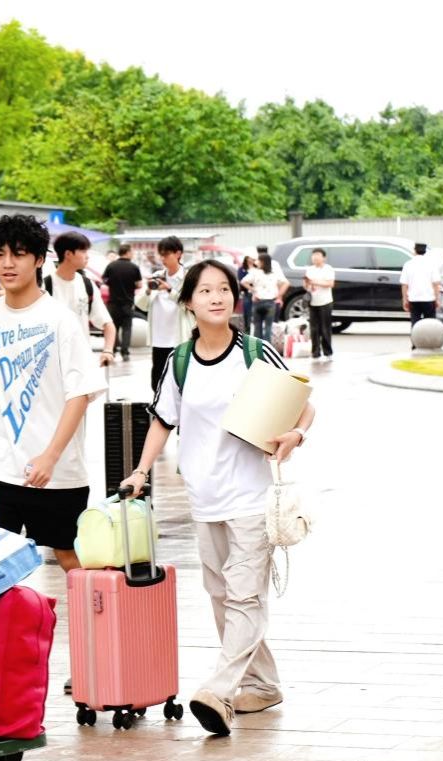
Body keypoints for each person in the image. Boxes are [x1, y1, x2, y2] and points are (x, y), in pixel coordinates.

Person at [120, 258, 316, 736]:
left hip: (250, 497)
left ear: (235, 297)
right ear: (188, 301)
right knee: (222, 597)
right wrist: (141, 471)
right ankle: (263, 685)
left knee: (245, 597)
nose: (217, 297)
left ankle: (219, 690)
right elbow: (163, 421)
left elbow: (303, 403)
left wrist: (296, 435)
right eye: (205, 290)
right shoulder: (180, 362)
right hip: (203, 498)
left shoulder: (254, 353)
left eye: (224, 289)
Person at [0, 215, 108, 576]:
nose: (7, 263)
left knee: (70, 559)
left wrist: (50, 456)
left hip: (56, 473)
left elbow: (81, 394)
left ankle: (93, 618)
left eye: (18, 254)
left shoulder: (60, 320)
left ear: (39, 259)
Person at [47, 232, 117, 367]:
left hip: (81, 360)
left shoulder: (87, 285)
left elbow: (108, 324)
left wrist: (108, 351)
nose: (87, 256)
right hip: (51, 362)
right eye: (83, 251)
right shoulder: (45, 286)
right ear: (68, 254)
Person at [136, 236, 194, 392]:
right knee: (157, 381)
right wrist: (148, 290)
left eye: (166, 254)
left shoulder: (188, 277)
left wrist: (169, 290)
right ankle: (159, 406)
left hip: (179, 337)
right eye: (161, 255)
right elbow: (140, 305)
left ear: (178, 254)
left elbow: (189, 305)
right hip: (159, 338)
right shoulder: (157, 276)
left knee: (180, 379)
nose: (162, 259)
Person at [102, 243, 142, 359]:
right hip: (127, 303)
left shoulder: (111, 266)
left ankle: (113, 349)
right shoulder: (134, 267)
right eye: (132, 252)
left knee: (113, 327)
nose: (133, 254)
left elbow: (104, 280)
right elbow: (139, 285)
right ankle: (125, 352)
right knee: (127, 329)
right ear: (127, 252)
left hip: (113, 303)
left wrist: (112, 283)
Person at [243, 254, 287, 343]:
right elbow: (286, 283)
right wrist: (279, 295)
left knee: (257, 327)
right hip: (270, 303)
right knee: (268, 327)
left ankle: (257, 348)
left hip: (258, 302)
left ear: (262, 262)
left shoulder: (255, 272)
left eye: (258, 260)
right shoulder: (274, 273)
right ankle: (267, 347)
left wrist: (253, 290)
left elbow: (243, 281)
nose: (256, 262)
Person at [303, 247, 335, 359]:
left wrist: (314, 282)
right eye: (313, 256)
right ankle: (315, 352)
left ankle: (327, 351)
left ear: (324, 258)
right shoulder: (309, 269)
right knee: (314, 328)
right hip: (313, 301)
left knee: (325, 328)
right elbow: (306, 285)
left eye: (317, 255)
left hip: (325, 301)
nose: (315, 258)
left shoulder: (328, 269)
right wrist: (307, 284)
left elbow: (330, 284)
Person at [401, 242, 442, 329]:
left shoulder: (408, 264)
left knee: (415, 322)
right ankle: (429, 337)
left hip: (414, 299)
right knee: (430, 324)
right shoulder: (431, 264)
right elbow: (435, 284)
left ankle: (415, 337)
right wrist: (437, 299)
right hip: (429, 299)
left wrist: (405, 299)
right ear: (425, 251)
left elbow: (404, 284)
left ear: (415, 250)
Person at [238, 255, 254, 333]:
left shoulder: (256, 268)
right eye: (249, 258)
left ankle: (253, 328)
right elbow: (241, 280)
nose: (251, 259)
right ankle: (247, 328)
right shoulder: (242, 269)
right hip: (247, 293)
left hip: (257, 294)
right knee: (247, 311)